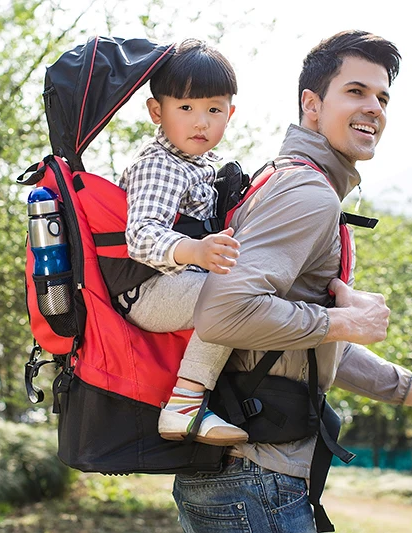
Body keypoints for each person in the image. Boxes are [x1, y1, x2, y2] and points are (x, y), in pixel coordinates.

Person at [172, 30, 412, 533]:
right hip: (255, 480)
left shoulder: (290, 180)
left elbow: (315, 349)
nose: (374, 108)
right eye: (355, 91)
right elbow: (222, 314)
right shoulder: (307, 192)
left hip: (242, 475)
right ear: (312, 104)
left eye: (382, 97)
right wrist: (342, 321)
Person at [118, 38, 248, 446]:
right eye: (186, 108)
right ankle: (185, 405)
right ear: (157, 111)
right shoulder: (161, 165)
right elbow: (141, 236)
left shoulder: (197, 165)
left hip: (173, 284)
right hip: (147, 290)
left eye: (214, 110)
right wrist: (196, 251)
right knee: (234, 296)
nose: (201, 123)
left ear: (230, 114)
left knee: (244, 289)